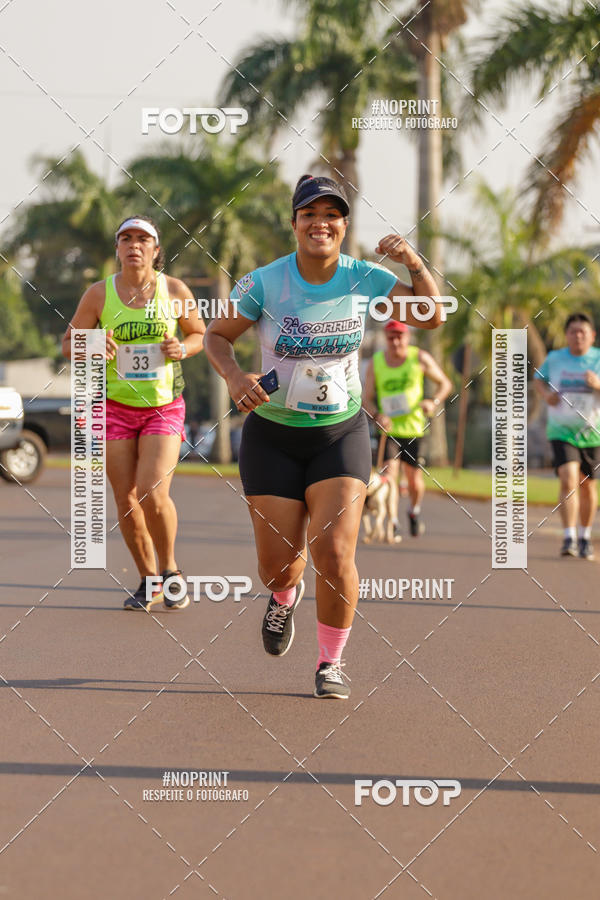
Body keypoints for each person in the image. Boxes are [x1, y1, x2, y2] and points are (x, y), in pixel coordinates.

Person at [204, 174, 444, 699]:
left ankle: (330, 663)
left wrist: (413, 262)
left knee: (335, 552)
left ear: (343, 225)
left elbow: (429, 316)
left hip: (341, 433)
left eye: (331, 214)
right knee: (278, 566)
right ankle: (283, 597)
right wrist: (236, 377)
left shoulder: (364, 278)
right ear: (294, 224)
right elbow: (216, 337)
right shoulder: (264, 283)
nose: (320, 223)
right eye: (309, 214)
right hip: (273, 435)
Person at [62, 215, 205, 607]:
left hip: (163, 406)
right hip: (113, 407)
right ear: (117, 248)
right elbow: (67, 345)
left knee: (151, 491)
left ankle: (171, 569)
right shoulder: (98, 294)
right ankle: (148, 580)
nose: (134, 245)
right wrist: (92, 343)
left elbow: (199, 334)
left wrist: (183, 348)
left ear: (156, 250)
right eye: (126, 238)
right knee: (125, 497)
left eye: (143, 239)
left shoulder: (174, 290)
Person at [363, 319, 452, 537]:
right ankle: (393, 521)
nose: (395, 342)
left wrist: (434, 402)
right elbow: (366, 397)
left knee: (414, 480)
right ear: (386, 338)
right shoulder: (377, 361)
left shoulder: (419, 358)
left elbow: (446, 384)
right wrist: (377, 414)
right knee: (390, 475)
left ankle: (413, 510)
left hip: (414, 430)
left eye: (399, 336)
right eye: (391, 337)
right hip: (388, 430)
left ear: (408, 337)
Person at [534, 312, 600, 560]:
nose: (578, 336)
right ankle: (569, 536)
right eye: (573, 331)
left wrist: (597, 385)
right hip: (561, 430)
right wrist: (545, 394)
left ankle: (584, 536)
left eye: (583, 331)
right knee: (567, 478)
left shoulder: (598, 358)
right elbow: (538, 380)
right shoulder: (555, 358)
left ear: (592, 336)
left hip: (593, 433)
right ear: (567, 335)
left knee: (588, 487)